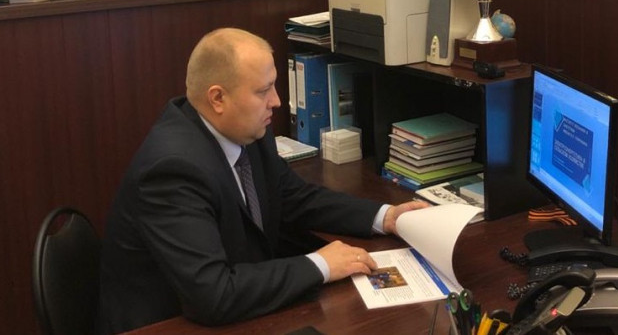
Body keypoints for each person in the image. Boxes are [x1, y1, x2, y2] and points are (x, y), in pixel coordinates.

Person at [97, 28, 428, 334]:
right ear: (217, 98)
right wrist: (320, 265)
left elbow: (294, 196)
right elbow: (213, 294)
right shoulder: (173, 169)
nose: (277, 101)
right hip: (166, 324)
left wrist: (385, 216)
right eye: (263, 90)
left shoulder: (245, 130)